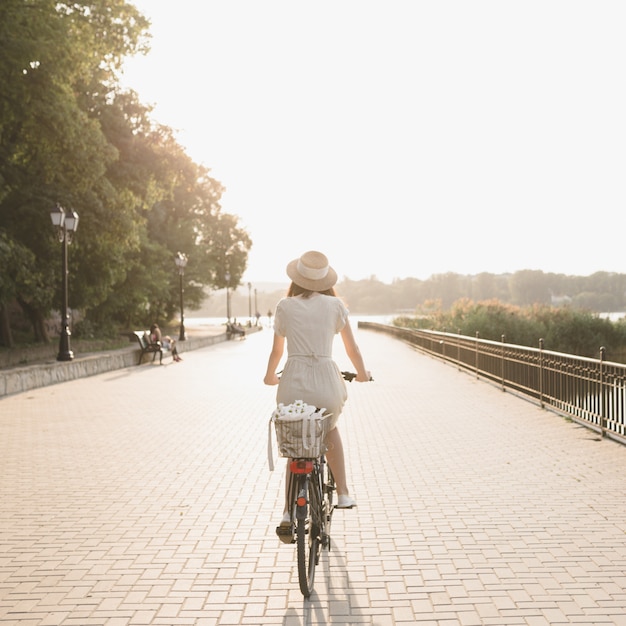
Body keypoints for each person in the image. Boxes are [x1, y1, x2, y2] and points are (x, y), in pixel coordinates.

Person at [263, 250, 372, 533]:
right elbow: (352, 348)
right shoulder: (335, 306)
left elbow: (277, 351)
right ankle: (344, 492)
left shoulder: (285, 306)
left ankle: (288, 513)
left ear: (297, 279)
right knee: (329, 427)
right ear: (325, 281)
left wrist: (268, 376)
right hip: (326, 379)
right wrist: (362, 374)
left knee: (297, 444)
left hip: (293, 380)